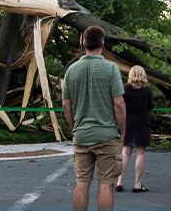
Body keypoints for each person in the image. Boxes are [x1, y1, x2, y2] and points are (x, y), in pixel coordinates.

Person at [62, 25, 126, 211]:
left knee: (82, 182)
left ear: (83, 42)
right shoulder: (111, 69)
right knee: (106, 184)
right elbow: (119, 104)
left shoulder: (71, 70)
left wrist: (74, 126)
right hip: (106, 135)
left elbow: (66, 105)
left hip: (82, 135)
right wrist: (122, 131)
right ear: (102, 43)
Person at [115, 65, 154, 193]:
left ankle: (120, 181)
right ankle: (137, 184)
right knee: (140, 153)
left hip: (128, 123)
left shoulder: (124, 89)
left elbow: (120, 105)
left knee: (125, 152)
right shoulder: (147, 91)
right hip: (143, 123)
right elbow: (150, 106)